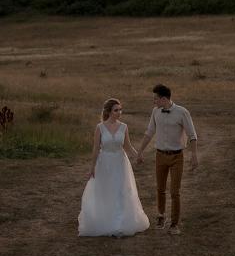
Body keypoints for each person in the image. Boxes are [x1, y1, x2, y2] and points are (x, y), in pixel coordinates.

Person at [78, 98, 150, 237]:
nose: (119, 112)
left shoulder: (124, 127)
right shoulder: (100, 127)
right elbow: (96, 148)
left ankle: (119, 223)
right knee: (106, 190)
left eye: (120, 110)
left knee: (120, 190)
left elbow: (128, 146)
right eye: (116, 110)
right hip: (104, 162)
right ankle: (106, 220)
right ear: (109, 111)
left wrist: (137, 155)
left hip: (120, 162)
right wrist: (92, 167)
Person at [136, 84, 198, 234]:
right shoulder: (155, 111)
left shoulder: (182, 112)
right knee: (160, 189)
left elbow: (192, 135)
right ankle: (161, 216)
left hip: (177, 156)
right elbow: (149, 132)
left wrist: (194, 155)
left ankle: (174, 224)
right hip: (160, 156)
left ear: (164, 99)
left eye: (155, 99)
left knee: (175, 191)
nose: (154, 101)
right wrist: (140, 151)